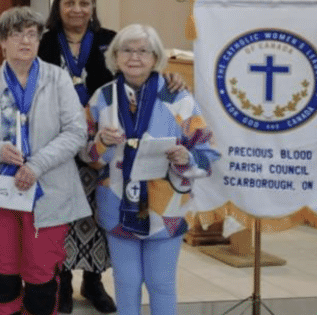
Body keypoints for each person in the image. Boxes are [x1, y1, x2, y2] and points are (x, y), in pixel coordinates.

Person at [83, 24, 217, 315]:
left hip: (167, 208)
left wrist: (186, 159)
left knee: (161, 284)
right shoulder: (102, 98)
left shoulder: (178, 98)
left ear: (156, 58)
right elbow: (86, 156)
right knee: (126, 282)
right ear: (115, 57)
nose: (134, 57)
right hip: (117, 204)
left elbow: (207, 153)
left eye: (143, 50)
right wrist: (101, 143)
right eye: (126, 50)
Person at [0, 6, 90, 315]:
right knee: (2, 272)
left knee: (40, 275)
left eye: (32, 35)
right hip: (0, 190)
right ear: (2, 41)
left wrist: (36, 165)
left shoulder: (59, 79)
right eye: (16, 34)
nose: (25, 41)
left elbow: (76, 131)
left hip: (48, 189)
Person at [36, 0, 117, 313]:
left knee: (98, 213)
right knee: (63, 212)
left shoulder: (110, 40)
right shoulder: (44, 42)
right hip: (58, 140)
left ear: (93, 7)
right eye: (70, 3)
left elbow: (136, 68)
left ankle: (94, 281)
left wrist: (169, 77)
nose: (77, 10)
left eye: (84, 3)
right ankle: (64, 282)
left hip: (102, 141)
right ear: (59, 6)